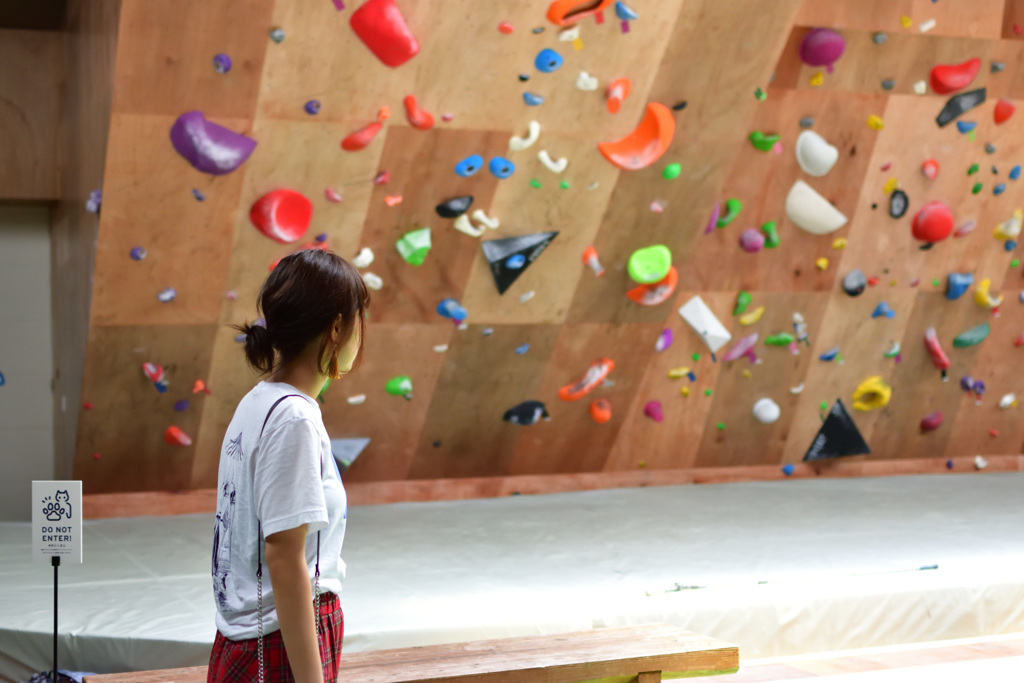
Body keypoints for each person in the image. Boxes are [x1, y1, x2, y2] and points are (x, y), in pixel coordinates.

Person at [207, 249, 370, 683]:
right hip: (279, 641)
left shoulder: (261, 399)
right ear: (337, 327)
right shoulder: (293, 416)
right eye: (359, 319)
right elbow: (282, 556)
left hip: (255, 636)